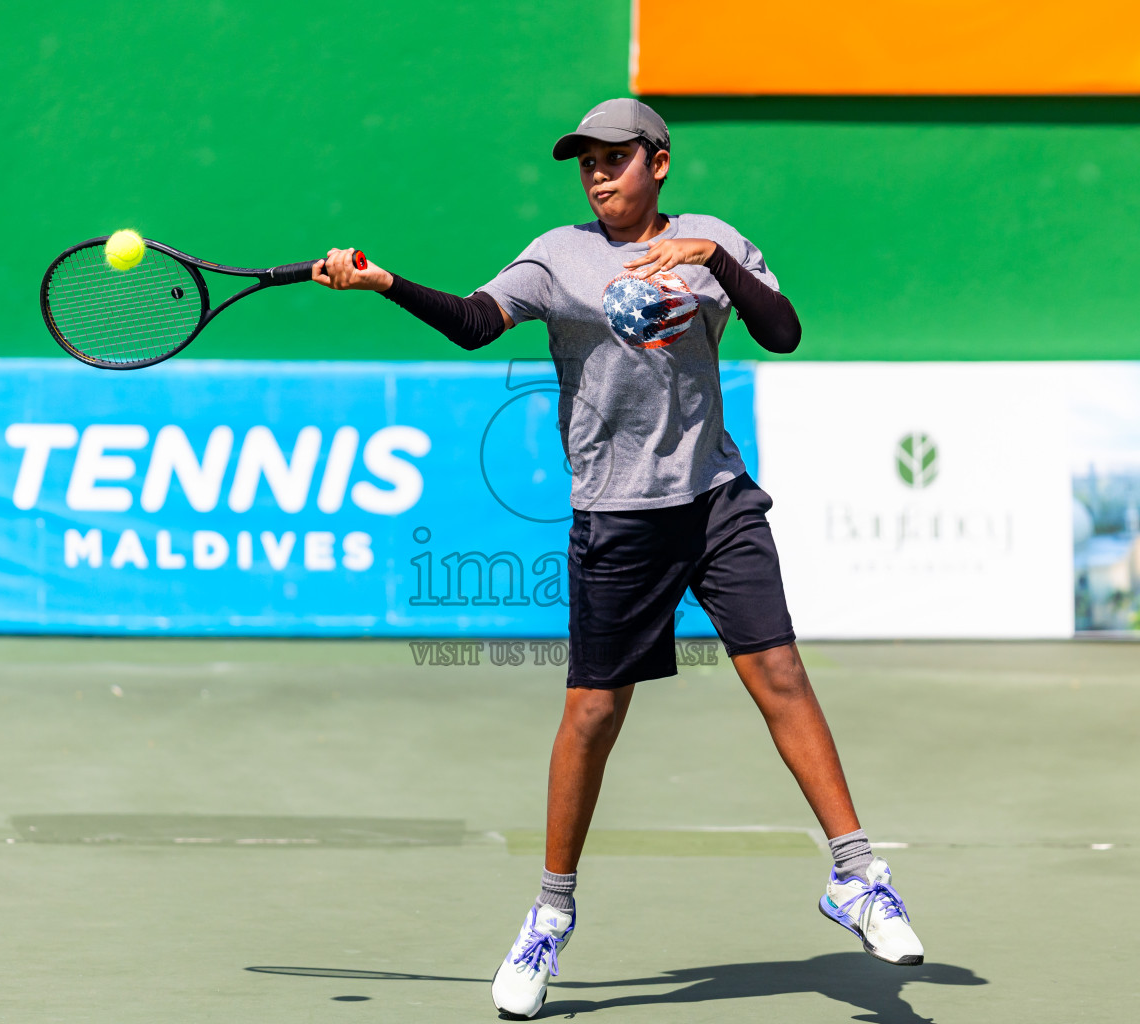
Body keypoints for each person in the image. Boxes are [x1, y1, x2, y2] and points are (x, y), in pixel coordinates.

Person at [311, 97, 923, 1020]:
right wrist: (386, 282)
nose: (597, 174)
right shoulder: (557, 256)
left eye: (615, 158)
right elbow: (479, 321)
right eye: (585, 161)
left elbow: (784, 332)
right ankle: (549, 916)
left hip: (716, 499)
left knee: (782, 674)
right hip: (616, 516)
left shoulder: (713, 240)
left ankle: (858, 875)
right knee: (593, 715)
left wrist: (711, 260)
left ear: (659, 164)